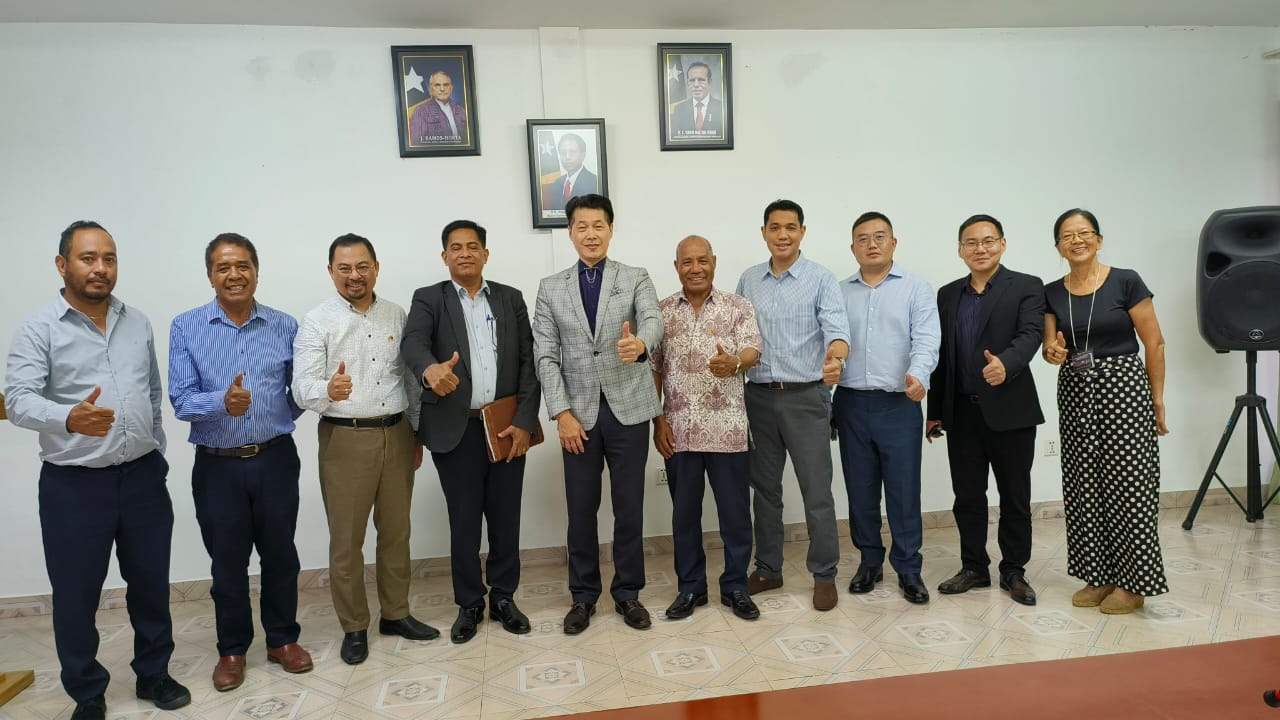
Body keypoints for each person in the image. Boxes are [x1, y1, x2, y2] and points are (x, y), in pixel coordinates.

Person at [5, 221, 190, 720]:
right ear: (62, 265)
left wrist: (155, 450)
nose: (100, 268)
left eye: (109, 258)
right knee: (76, 594)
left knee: (151, 584)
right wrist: (69, 417)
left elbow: (152, 392)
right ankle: (87, 691)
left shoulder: (138, 322)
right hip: (74, 486)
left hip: (143, 479)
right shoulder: (39, 328)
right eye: (88, 258)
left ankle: (154, 673)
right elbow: (17, 400)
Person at [168, 233, 312, 691]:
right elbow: (181, 400)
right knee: (227, 563)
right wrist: (221, 404)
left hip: (275, 458)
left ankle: (283, 640)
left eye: (243, 265)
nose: (234, 275)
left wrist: (273, 418)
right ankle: (232, 650)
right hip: (218, 467)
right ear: (210, 275)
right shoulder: (186, 327)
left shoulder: (284, 325)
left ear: (256, 270)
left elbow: (298, 392)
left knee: (281, 555)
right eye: (223, 267)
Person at [292, 234, 438, 665]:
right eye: (344, 268)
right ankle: (354, 626)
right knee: (347, 540)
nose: (354, 275)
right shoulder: (316, 321)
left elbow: (410, 380)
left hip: (396, 434)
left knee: (396, 533)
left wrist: (416, 434)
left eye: (362, 266)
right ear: (331, 271)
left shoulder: (396, 313)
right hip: (345, 439)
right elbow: (301, 387)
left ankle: (396, 614)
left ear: (376, 268)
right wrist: (328, 389)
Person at [402, 220, 541, 644]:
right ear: (444, 256)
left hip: (505, 426)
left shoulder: (510, 298)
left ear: (485, 253)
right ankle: (469, 603)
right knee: (463, 521)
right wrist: (429, 369)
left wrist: (524, 421)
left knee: (505, 518)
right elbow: (412, 343)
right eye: (456, 247)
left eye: (473, 246)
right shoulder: (430, 298)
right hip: (456, 429)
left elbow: (529, 362)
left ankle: (504, 598)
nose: (465, 253)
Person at [532, 193, 663, 634]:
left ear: (611, 229)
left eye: (598, 225)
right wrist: (561, 412)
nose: (591, 234)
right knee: (581, 511)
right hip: (578, 417)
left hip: (629, 409)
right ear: (570, 232)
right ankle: (583, 596)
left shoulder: (635, 276)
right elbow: (545, 355)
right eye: (582, 226)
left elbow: (653, 320)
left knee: (629, 509)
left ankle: (628, 594)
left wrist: (640, 344)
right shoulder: (550, 287)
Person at [1042, 208, 1169, 615]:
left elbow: (1154, 342)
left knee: (1130, 485)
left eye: (1084, 233)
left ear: (1098, 240)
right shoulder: (1052, 292)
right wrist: (1053, 352)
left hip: (1124, 391)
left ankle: (1134, 584)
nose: (1076, 241)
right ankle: (1098, 575)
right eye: (1067, 236)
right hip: (1076, 391)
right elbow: (1051, 349)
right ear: (1058, 247)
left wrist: (1157, 399)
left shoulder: (1126, 281)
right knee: (1083, 484)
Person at [735, 199, 850, 611]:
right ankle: (769, 569)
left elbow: (837, 331)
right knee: (765, 490)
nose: (782, 235)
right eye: (774, 227)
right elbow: (739, 333)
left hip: (806, 397)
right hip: (759, 397)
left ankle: (824, 574)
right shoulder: (749, 280)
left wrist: (837, 358)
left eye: (790, 227)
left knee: (816, 491)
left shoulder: (821, 279)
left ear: (802, 231)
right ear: (763, 232)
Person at [926, 214, 1045, 606]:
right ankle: (974, 566)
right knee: (967, 496)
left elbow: (1031, 334)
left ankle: (1014, 570)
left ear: (1003, 244)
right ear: (960, 249)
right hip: (961, 413)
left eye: (988, 241)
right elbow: (942, 355)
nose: (981, 248)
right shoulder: (947, 294)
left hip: (1011, 410)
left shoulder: (1026, 286)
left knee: (1014, 496)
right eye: (972, 242)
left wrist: (1006, 363)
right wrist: (935, 409)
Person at [652, 235, 762, 622]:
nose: (695, 268)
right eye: (687, 262)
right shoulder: (661, 311)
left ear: (714, 262)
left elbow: (753, 350)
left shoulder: (737, 306)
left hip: (728, 430)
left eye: (702, 260)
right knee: (684, 516)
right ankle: (691, 588)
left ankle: (735, 587)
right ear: (676, 266)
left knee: (735, 515)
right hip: (678, 432)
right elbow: (654, 368)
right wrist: (657, 420)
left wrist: (735, 362)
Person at [834, 211, 940, 605]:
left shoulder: (916, 289)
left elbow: (927, 339)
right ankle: (869, 561)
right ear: (853, 248)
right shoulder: (839, 292)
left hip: (899, 403)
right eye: (863, 238)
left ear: (894, 243)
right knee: (860, 489)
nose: (872, 244)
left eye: (880, 236)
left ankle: (909, 568)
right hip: (851, 403)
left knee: (903, 489)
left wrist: (919, 375)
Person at [408, 70, 469, 145]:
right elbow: (418, 143)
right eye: (437, 85)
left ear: (451, 88)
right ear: (430, 89)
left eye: (446, 85)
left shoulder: (461, 110)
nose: (442, 89)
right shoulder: (421, 112)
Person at [668, 61, 725, 140]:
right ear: (687, 83)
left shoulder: (721, 108)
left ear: (710, 82)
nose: (696, 85)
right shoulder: (679, 109)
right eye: (692, 80)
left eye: (701, 80)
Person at [545, 134, 599, 212]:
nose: (567, 157)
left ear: (583, 155)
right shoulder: (557, 183)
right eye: (563, 152)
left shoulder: (594, 182)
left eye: (572, 152)